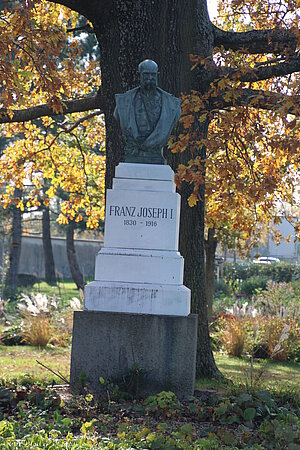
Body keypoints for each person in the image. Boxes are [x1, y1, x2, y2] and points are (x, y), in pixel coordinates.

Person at [114, 59, 181, 164]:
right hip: (132, 157)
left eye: (153, 75)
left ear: (157, 75)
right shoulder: (124, 102)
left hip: (156, 155)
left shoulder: (171, 105)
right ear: (139, 75)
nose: (149, 78)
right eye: (146, 74)